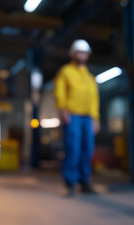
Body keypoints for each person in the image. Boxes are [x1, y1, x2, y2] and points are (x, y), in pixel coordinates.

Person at [54, 39, 100, 196]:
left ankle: (84, 182)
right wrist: (63, 110)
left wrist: (95, 118)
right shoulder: (65, 72)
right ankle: (70, 183)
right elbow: (60, 92)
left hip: (87, 118)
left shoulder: (90, 78)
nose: (83, 55)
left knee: (87, 150)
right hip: (72, 116)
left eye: (85, 52)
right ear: (73, 54)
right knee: (72, 149)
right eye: (80, 52)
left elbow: (94, 99)